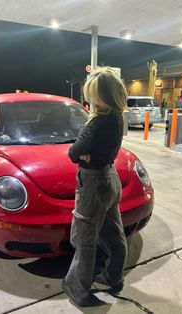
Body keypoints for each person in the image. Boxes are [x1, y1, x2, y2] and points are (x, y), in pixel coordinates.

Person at [62, 67, 128, 307]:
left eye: (93, 95)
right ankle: (113, 277)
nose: (90, 100)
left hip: (93, 184)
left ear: (103, 96)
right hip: (110, 179)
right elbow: (84, 151)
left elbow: (72, 152)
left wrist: (82, 155)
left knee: (84, 239)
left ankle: (76, 289)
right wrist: (86, 154)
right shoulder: (118, 117)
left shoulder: (98, 123)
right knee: (113, 233)